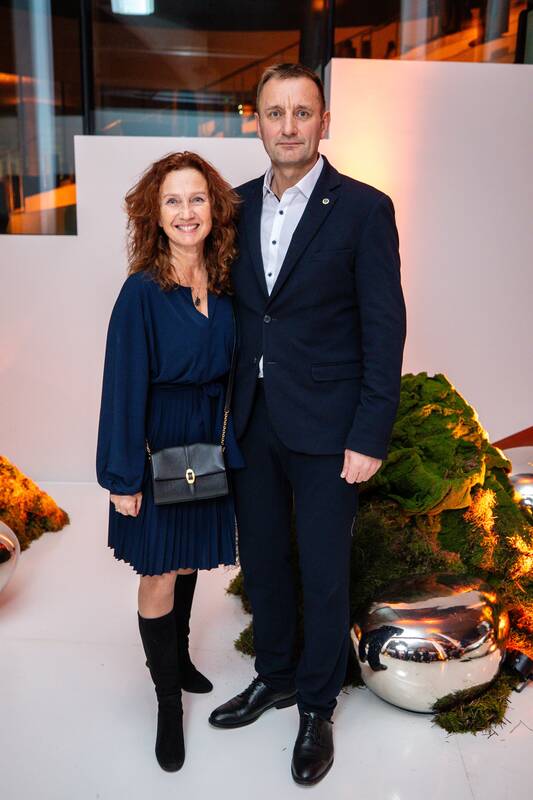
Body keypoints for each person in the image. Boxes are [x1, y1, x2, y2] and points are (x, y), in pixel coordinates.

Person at [209, 63, 406, 786]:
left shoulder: (363, 209)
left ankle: (317, 706)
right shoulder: (231, 206)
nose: (287, 126)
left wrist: (369, 433)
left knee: (323, 572)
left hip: (329, 425)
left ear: (324, 122)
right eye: (274, 112)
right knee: (262, 561)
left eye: (302, 112)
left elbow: (384, 326)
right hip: (252, 418)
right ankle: (277, 675)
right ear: (256, 122)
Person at [96, 151, 243, 772]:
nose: (187, 212)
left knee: (186, 562)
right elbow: (122, 384)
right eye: (173, 201)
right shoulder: (141, 293)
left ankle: (178, 659)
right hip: (157, 444)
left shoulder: (228, 284)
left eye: (197, 198)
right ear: (154, 215)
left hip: (206, 443)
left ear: (214, 209)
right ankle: (166, 701)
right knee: (159, 571)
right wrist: (122, 476)